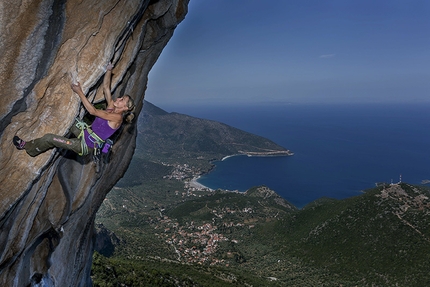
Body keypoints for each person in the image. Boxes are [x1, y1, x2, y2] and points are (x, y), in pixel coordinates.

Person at [13, 62, 135, 157]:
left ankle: (27, 146)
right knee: (67, 114)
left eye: (121, 100)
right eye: (120, 97)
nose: (118, 99)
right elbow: (106, 88)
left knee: (49, 138)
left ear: (125, 108)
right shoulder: (111, 108)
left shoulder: (117, 118)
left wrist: (79, 92)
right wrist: (109, 70)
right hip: (85, 132)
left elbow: (93, 111)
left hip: (84, 146)